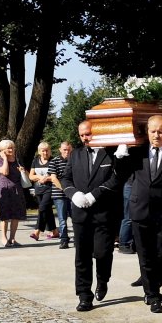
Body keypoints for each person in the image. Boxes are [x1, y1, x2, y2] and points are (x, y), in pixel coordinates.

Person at [115, 115, 162, 314]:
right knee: (145, 256)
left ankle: (153, 285)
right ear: (147, 132)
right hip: (140, 211)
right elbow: (121, 174)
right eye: (153, 131)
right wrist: (120, 157)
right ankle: (153, 295)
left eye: (160, 131)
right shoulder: (137, 153)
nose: (156, 135)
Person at [61, 121, 121, 312]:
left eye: (88, 134)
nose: (86, 138)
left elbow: (116, 178)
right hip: (81, 214)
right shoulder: (75, 154)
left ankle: (103, 280)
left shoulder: (111, 153)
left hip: (103, 212)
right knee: (82, 256)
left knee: (103, 253)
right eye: (82, 135)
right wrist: (73, 194)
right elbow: (66, 178)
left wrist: (95, 194)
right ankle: (84, 295)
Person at [0, 139, 27, 247]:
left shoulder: (17, 160)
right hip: (5, 190)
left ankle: (12, 238)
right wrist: (4, 159)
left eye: (12, 147)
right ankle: (3, 238)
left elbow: (27, 174)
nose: (11, 149)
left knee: (16, 215)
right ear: (2, 150)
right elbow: (5, 172)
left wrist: (22, 170)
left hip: (17, 190)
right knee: (5, 215)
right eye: (8, 148)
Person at [28, 142, 57, 242]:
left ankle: (37, 232)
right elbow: (31, 176)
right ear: (39, 151)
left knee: (42, 208)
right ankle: (55, 231)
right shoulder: (35, 161)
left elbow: (56, 176)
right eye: (43, 150)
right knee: (47, 210)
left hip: (50, 189)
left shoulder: (53, 160)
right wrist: (39, 177)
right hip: (38, 190)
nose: (45, 152)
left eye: (47, 150)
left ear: (50, 150)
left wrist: (47, 178)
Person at [48, 140, 72, 249]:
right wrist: (64, 189)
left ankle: (80, 238)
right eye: (64, 150)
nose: (67, 152)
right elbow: (53, 178)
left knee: (76, 217)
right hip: (59, 194)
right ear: (60, 150)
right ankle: (63, 239)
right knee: (62, 219)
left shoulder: (75, 160)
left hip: (73, 193)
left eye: (68, 150)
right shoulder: (55, 161)